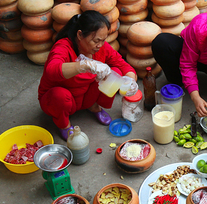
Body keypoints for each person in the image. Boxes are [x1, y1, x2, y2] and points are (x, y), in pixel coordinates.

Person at [38, 11, 138, 139]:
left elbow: (123, 65)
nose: (100, 45)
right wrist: (83, 65)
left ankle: (93, 106)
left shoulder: (101, 47)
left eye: (103, 40)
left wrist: (130, 81)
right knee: (60, 96)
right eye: (96, 40)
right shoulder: (63, 47)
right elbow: (51, 70)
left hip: (85, 96)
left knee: (116, 73)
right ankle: (64, 125)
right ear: (80, 35)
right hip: (59, 100)